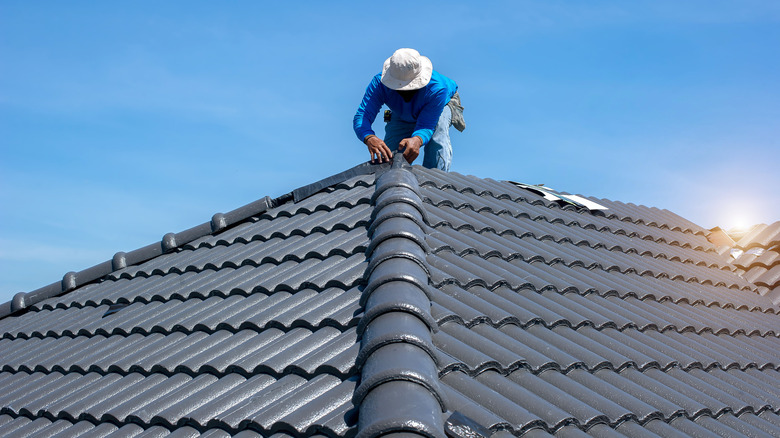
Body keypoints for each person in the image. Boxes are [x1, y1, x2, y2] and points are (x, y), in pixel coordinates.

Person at [353, 48, 465, 171]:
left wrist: (417, 139)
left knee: (437, 132)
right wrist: (369, 137)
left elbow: (426, 125)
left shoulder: (437, 88)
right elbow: (363, 116)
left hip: (441, 105)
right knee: (390, 155)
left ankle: (436, 178)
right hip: (401, 111)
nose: (405, 92)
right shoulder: (379, 84)